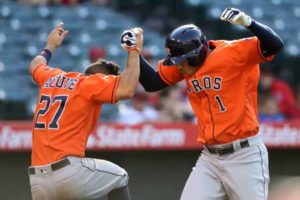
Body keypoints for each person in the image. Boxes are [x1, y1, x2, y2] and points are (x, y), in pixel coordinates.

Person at [126, 7, 284, 200]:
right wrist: (134, 52)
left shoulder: (233, 52)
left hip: (244, 154)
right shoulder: (186, 67)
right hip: (210, 158)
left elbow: (275, 45)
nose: (178, 66)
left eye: (182, 60)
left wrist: (249, 23)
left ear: (197, 53)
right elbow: (152, 83)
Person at [27, 22, 143, 200]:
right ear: (101, 77)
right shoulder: (89, 84)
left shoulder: (52, 77)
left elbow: (35, 64)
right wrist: (134, 50)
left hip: (37, 180)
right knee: (120, 177)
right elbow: (127, 89)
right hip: (67, 171)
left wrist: (50, 46)